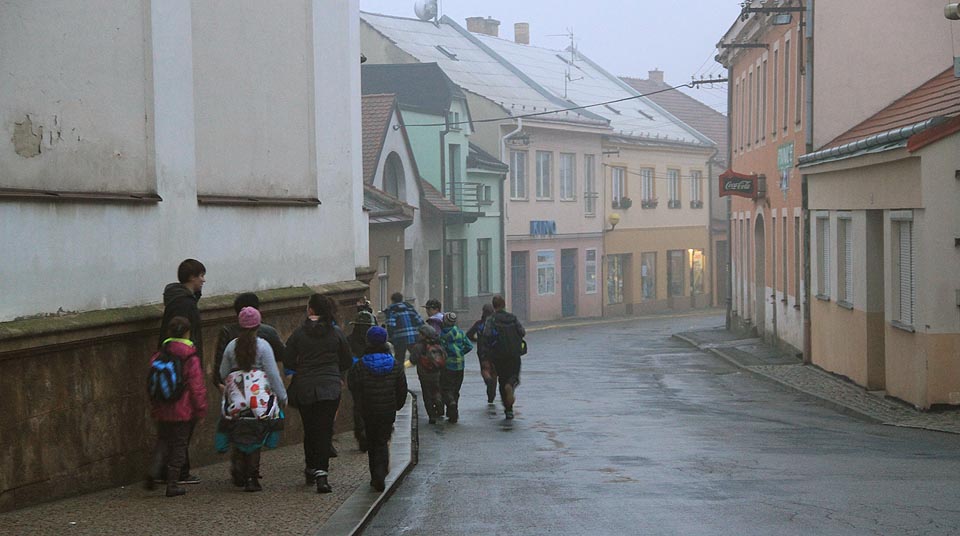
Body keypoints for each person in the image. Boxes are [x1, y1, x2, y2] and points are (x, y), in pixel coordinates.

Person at [284, 294, 353, 493]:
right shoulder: (336, 333)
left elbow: (288, 359)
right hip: (330, 387)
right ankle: (322, 474)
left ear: (311, 310)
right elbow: (347, 359)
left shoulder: (299, 333)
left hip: (305, 386)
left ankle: (310, 467)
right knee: (324, 430)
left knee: (310, 429)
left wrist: (302, 367)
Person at [218, 307, 287, 492]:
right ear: (258, 326)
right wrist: (282, 396)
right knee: (256, 437)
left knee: (238, 431)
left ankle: (239, 471)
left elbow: (223, 372)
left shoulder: (231, 346)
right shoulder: (263, 346)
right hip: (259, 400)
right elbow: (272, 374)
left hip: (236, 399)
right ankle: (252, 477)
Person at [154, 258, 205, 486]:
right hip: (181, 375)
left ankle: (167, 470)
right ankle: (177, 472)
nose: (203, 279)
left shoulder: (179, 300)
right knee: (182, 430)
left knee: (170, 432)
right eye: (201, 275)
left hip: (172, 373)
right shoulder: (185, 304)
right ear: (191, 277)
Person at [146, 317, 208, 497]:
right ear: (187, 333)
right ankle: (172, 483)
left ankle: (153, 470)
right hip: (183, 410)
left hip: (162, 407)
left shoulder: (160, 353)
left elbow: (152, 381)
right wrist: (201, 409)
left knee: (163, 440)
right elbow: (196, 387)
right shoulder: (190, 356)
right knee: (179, 445)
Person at [347, 326, 408, 492]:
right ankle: (382, 471)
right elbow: (402, 388)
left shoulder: (360, 365)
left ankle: (376, 475)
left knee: (372, 441)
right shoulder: (394, 365)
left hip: (368, 410)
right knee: (382, 440)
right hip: (387, 410)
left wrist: (359, 404)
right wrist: (397, 405)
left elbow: (352, 385)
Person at [213, 293, 285, 388]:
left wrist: (222, 385)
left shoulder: (229, 337)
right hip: (262, 392)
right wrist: (282, 397)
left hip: (236, 392)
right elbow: (275, 370)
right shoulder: (266, 338)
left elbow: (221, 370)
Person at [481, 295, 525, 420]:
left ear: (494, 306)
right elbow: (522, 332)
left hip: (498, 355)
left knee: (502, 380)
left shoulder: (491, 319)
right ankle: (510, 385)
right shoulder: (512, 318)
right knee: (514, 376)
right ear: (504, 304)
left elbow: (486, 334)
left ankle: (508, 410)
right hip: (514, 354)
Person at [348, 308, 379, 451]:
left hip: (357, 379)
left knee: (359, 407)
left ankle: (362, 433)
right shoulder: (376, 341)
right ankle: (374, 432)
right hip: (375, 379)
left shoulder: (349, 340)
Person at [438, 312, 473, 424]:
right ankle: (453, 413)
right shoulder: (460, 332)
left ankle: (451, 404)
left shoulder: (443, 335)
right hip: (460, 365)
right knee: (456, 389)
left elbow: (441, 349)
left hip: (448, 365)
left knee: (446, 388)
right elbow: (469, 346)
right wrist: (461, 353)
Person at [407, 325, 444, 424]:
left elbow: (413, 360)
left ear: (424, 335)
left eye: (420, 333)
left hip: (424, 375)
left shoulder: (418, 346)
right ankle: (440, 405)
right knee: (436, 390)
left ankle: (432, 416)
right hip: (436, 373)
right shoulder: (438, 345)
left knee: (427, 395)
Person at [466, 304, 498, 404]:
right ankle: (491, 395)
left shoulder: (479, 324)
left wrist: (477, 340)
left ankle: (487, 381)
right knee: (494, 373)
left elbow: (469, 335)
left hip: (482, 351)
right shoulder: (497, 324)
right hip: (495, 351)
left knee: (485, 369)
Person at [383, 292, 423, 364]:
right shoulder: (410, 308)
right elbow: (420, 321)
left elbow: (391, 325)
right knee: (418, 358)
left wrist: (390, 338)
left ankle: (400, 373)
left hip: (399, 338)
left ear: (392, 300)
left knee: (399, 359)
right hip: (414, 337)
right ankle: (422, 373)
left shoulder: (391, 310)